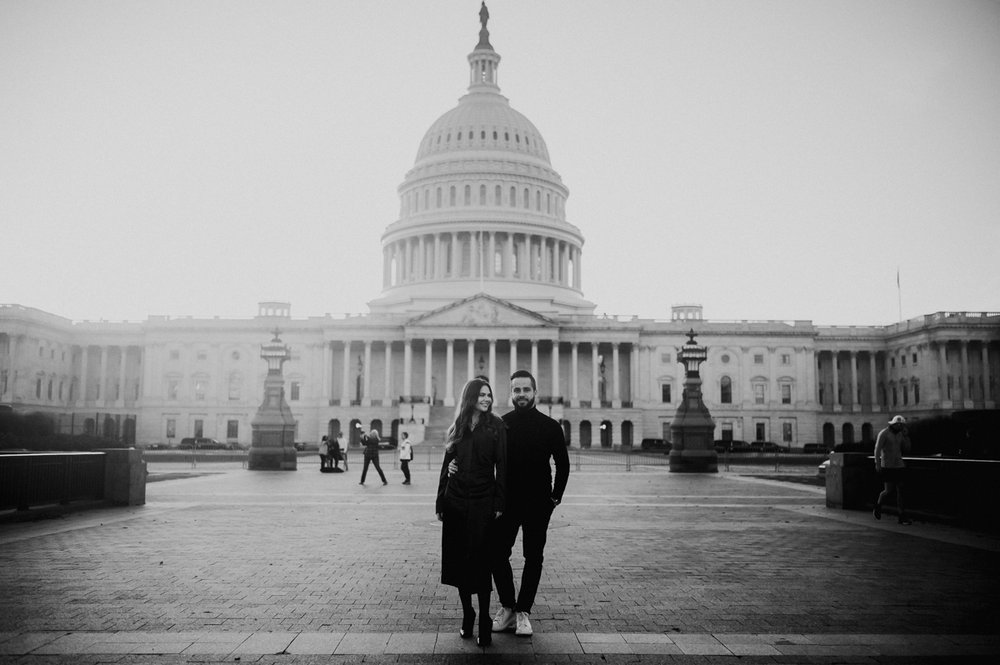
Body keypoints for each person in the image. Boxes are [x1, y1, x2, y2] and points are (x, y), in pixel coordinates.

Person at [491, 369, 569, 637]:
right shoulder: (501, 424)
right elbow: (484, 459)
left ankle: (524, 611)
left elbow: (563, 463)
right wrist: (455, 464)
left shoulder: (550, 426)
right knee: (497, 554)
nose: (521, 394)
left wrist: (555, 497)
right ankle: (508, 606)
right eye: (516, 390)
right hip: (507, 502)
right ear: (510, 393)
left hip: (538, 503)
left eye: (525, 390)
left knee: (533, 557)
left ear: (535, 392)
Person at [436, 378, 506, 647]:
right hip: (455, 501)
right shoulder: (458, 426)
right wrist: (440, 501)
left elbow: (503, 466)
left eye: (489, 395)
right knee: (459, 562)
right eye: (482, 395)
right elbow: (446, 466)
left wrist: (500, 501)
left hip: (482, 501)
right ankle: (468, 613)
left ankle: (485, 619)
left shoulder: (496, 426)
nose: (487, 399)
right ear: (471, 397)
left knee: (481, 562)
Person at [873, 415, 912, 525]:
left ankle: (901, 515)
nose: (899, 426)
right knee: (888, 491)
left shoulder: (901, 434)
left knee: (901, 490)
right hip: (888, 466)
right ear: (892, 424)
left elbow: (907, 449)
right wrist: (878, 463)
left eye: (901, 424)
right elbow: (877, 449)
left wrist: (906, 437)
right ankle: (878, 506)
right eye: (897, 424)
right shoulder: (884, 433)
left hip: (899, 465)